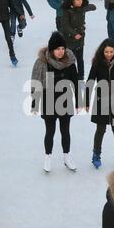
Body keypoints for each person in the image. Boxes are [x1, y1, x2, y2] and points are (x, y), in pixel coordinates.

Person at [30, 32, 79, 173]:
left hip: (65, 100)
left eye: (63, 48)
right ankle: (48, 157)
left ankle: (67, 156)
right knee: (50, 131)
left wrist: (79, 101)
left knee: (65, 131)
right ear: (51, 50)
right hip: (49, 101)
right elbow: (36, 83)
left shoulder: (69, 63)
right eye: (57, 49)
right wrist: (35, 103)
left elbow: (75, 82)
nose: (61, 52)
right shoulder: (42, 63)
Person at [86, 38, 114, 169]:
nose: (109, 54)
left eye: (111, 52)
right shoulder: (97, 63)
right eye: (106, 52)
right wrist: (86, 101)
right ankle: (96, 155)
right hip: (101, 101)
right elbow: (90, 81)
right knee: (100, 129)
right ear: (102, 52)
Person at [61, 0, 96, 81]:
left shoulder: (82, 8)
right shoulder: (67, 11)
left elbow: (89, 7)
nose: (80, 1)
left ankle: (81, 78)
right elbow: (65, 25)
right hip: (69, 39)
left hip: (80, 38)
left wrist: (93, 7)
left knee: (80, 59)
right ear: (72, 0)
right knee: (70, 60)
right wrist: (74, 34)